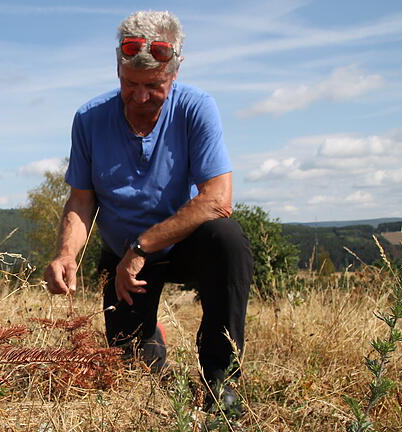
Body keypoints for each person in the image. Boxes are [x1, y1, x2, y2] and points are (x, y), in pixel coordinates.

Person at [44, 10, 253, 413]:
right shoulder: (89, 119)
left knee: (228, 240)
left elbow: (217, 198)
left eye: (153, 85)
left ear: (175, 73)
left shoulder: (196, 108)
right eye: (129, 84)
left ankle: (220, 382)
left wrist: (141, 248)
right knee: (131, 368)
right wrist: (66, 254)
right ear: (117, 69)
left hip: (180, 245)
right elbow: (82, 200)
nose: (140, 97)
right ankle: (149, 337)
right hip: (121, 258)